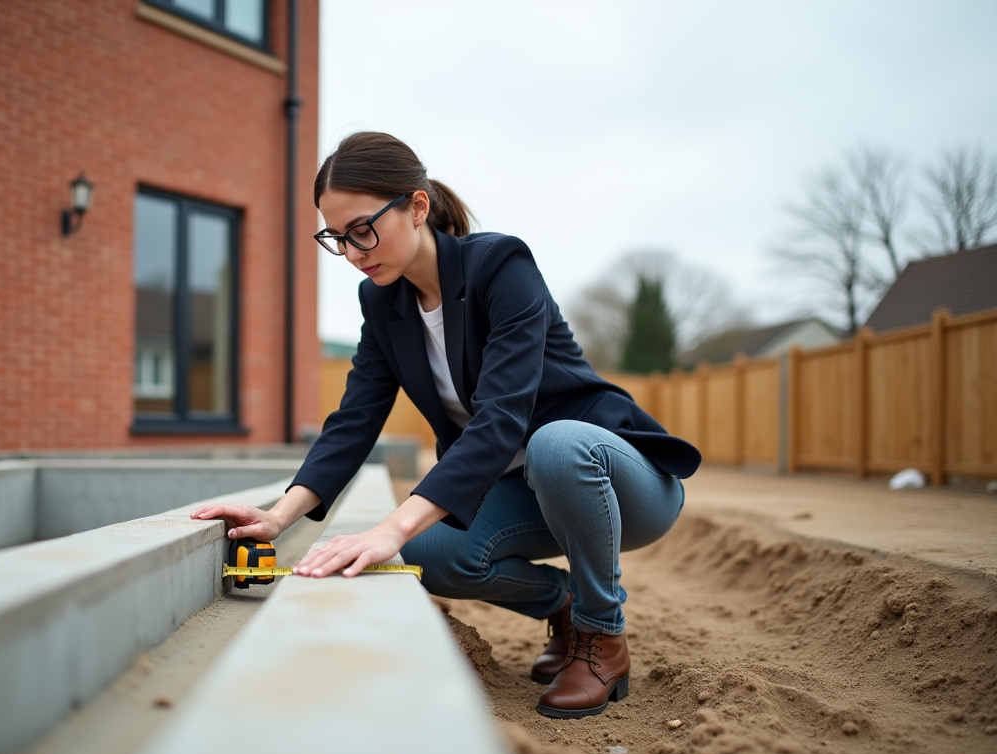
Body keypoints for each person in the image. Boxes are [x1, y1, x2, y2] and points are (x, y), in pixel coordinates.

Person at [191, 132, 701, 719]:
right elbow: (355, 418)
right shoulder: (382, 302)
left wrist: (391, 524)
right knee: (427, 553)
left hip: (614, 481)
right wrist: (278, 516)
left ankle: (601, 637)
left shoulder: (500, 266)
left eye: (363, 228)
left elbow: (502, 414)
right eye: (337, 238)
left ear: (416, 206)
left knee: (553, 443)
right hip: (521, 494)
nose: (354, 252)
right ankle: (561, 604)